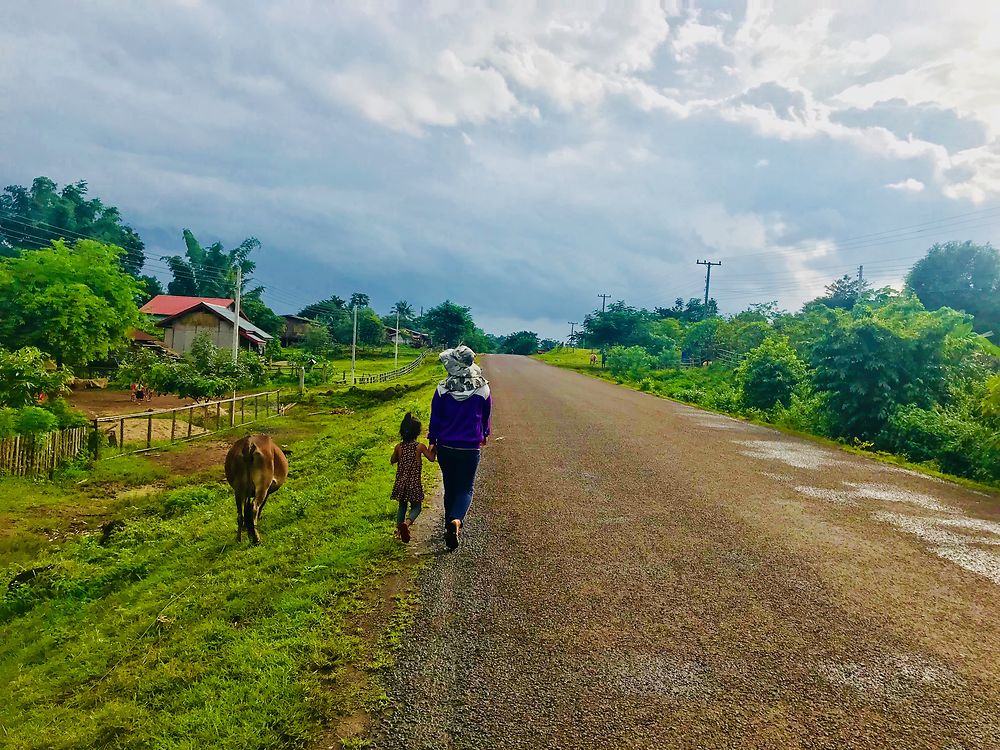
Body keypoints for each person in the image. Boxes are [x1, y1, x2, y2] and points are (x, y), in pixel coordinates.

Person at [428, 346, 492, 551]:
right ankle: (456, 521)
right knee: (466, 488)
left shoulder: (442, 388)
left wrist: (432, 439)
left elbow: (435, 416)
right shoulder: (483, 388)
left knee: (451, 487)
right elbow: (486, 415)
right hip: (470, 447)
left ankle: (448, 523)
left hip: (446, 445)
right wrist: (485, 435)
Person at [390, 412, 436, 543]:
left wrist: (395, 457)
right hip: (414, 483)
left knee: (402, 506)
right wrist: (434, 447)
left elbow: (393, 460)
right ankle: (407, 523)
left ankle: (399, 531)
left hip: (401, 483)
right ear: (417, 432)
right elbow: (432, 458)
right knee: (417, 507)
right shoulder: (419, 447)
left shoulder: (399, 447)